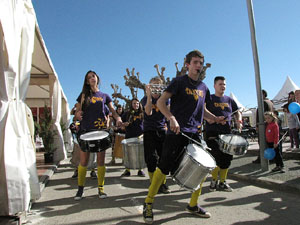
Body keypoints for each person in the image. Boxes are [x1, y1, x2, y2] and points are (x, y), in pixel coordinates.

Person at [142, 50, 225, 224]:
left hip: (194, 134)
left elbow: (202, 110)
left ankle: (193, 205)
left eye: (200, 63)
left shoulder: (203, 87)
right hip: (176, 132)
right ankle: (148, 202)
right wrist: (171, 118)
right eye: (195, 62)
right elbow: (160, 102)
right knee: (163, 168)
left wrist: (214, 118)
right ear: (187, 64)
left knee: (203, 167)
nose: (198, 66)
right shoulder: (178, 82)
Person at [73, 70, 122, 200]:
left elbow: (112, 111)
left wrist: (118, 118)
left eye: (93, 76)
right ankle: (80, 189)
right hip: (86, 131)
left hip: (101, 131)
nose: (92, 78)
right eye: (89, 77)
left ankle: (101, 189)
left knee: (101, 162)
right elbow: (77, 112)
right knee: (84, 162)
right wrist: (77, 115)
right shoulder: (83, 95)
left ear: (97, 78)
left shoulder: (105, 95)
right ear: (87, 81)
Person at [205, 76, 242, 192]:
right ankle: (214, 180)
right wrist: (210, 119)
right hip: (212, 132)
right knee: (216, 158)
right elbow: (201, 111)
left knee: (227, 159)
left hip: (227, 133)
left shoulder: (229, 100)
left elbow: (237, 112)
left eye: (224, 84)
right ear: (214, 86)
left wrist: (239, 121)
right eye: (220, 84)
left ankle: (223, 182)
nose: (223, 86)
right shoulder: (209, 99)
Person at [141, 76, 170, 194]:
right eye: (153, 85)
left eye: (158, 85)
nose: (155, 88)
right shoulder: (144, 99)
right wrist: (148, 96)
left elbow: (168, 113)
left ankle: (162, 183)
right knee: (151, 159)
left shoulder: (165, 99)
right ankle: (154, 184)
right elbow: (148, 112)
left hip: (162, 130)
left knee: (163, 159)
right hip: (149, 131)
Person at [121, 98, 145, 177]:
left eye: (137, 103)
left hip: (139, 135)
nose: (136, 105)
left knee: (140, 153)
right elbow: (121, 122)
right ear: (131, 104)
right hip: (129, 134)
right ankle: (127, 170)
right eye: (134, 103)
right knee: (128, 153)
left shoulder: (142, 113)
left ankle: (140, 170)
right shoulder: (127, 113)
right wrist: (124, 124)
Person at [252, 89, 274, 164]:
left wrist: (258, 125)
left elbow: (261, 115)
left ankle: (262, 158)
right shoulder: (270, 102)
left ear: (263, 94)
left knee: (262, 142)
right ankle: (270, 158)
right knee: (268, 142)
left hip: (264, 126)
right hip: (268, 125)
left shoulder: (264, 102)